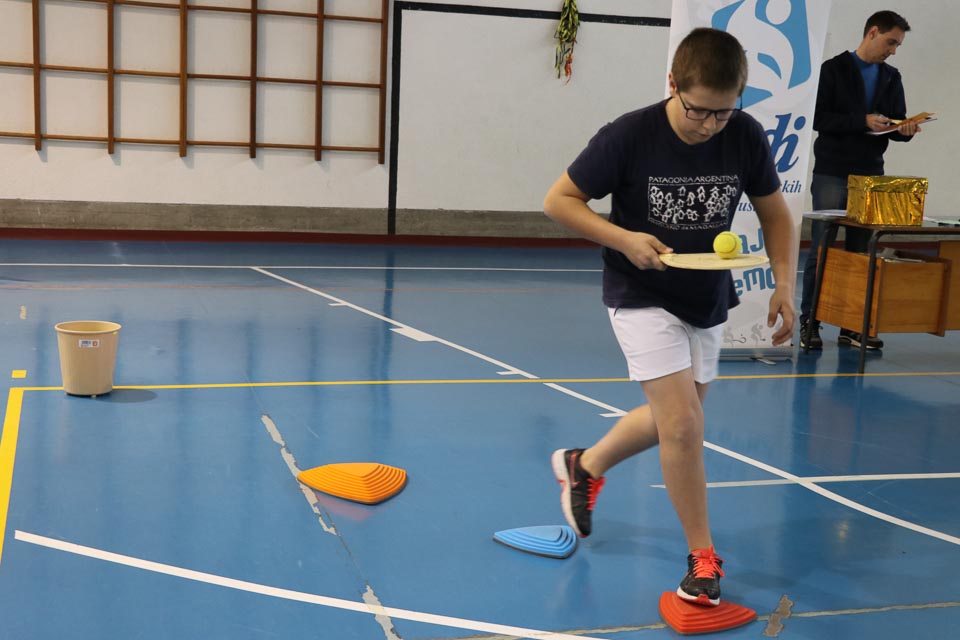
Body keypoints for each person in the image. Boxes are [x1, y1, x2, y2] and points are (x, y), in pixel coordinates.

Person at [542, 28, 796, 606]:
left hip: (706, 296)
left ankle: (585, 465)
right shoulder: (629, 135)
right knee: (682, 425)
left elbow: (776, 214)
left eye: (723, 113)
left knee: (677, 417)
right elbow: (559, 201)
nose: (710, 125)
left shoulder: (745, 135)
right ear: (673, 84)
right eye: (699, 110)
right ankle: (702, 559)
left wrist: (784, 284)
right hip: (640, 290)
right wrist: (624, 238)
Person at [800, 10, 921, 351]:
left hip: (871, 173)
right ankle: (810, 322)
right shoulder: (833, 70)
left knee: (861, 252)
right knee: (822, 248)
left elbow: (895, 122)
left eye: (897, 46)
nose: (893, 51)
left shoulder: (891, 77)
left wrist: (905, 129)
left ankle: (852, 325)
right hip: (832, 171)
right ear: (872, 33)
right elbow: (817, 117)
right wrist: (861, 120)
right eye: (890, 42)